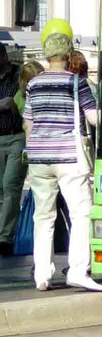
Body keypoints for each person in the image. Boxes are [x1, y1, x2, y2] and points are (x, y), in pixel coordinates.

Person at [22, 32, 102, 291]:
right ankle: (78, 270)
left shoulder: (34, 85)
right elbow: (93, 118)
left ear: (46, 56)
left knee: (43, 216)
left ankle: (42, 276)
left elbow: (28, 123)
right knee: (81, 212)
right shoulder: (75, 82)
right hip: (69, 156)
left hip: (39, 157)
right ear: (68, 55)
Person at [0, 45, 26, 257]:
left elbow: (18, 100)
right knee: (1, 189)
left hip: (17, 134)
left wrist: (11, 104)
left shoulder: (19, 73)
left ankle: (5, 238)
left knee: (10, 184)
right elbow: (6, 103)